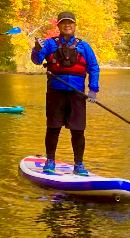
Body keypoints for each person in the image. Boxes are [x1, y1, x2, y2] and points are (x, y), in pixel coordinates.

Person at [30, 11, 100, 176]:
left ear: (74, 26)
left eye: (70, 23)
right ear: (59, 26)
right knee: (53, 128)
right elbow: (37, 60)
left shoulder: (84, 46)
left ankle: (79, 164)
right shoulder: (49, 44)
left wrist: (93, 90)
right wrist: (36, 49)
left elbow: (94, 67)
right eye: (63, 23)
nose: (67, 25)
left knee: (78, 130)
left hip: (77, 94)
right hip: (56, 91)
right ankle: (50, 160)